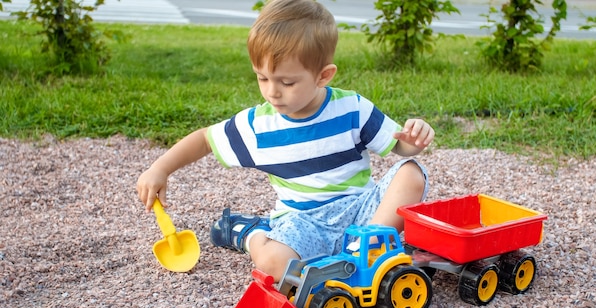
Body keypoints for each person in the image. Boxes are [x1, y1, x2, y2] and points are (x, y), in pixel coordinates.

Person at [136, 0, 434, 281]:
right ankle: (249, 233)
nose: (272, 92)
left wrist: (415, 140)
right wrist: (160, 168)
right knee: (273, 263)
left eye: (287, 82)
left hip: (362, 212)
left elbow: (399, 146)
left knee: (411, 171)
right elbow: (204, 139)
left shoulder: (352, 109)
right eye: (262, 78)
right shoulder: (258, 126)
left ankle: (365, 253)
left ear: (323, 76)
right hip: (303, 222)